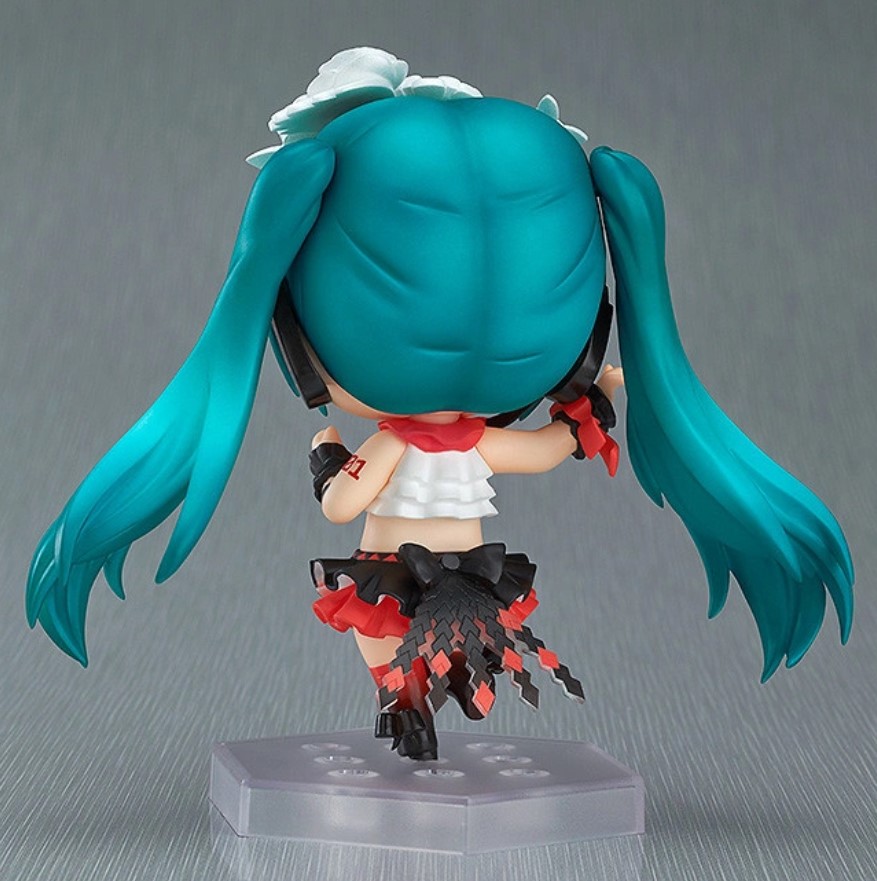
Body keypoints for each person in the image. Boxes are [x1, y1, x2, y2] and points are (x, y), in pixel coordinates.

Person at [26, 48, 853, 761]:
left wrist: (326, 458)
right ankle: (409, 698)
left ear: (286, 322)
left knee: (395, 637)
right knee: (401, 639)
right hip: (437, 564)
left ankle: (410, 695)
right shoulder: (456, 439)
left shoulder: (397, 441)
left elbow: (347, 501)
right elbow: (535, 449)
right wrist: (587, 412)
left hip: (431, 566)